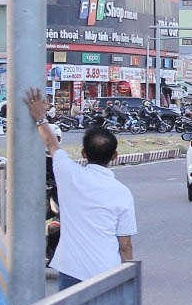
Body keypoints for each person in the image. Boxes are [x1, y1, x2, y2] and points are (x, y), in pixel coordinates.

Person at [22, 88, 136, 291]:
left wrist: (40, 117)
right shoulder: (122, 193)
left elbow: (51, 143)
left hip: (72, 272)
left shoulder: (69, 174)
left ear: (83, 153)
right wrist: (128, 281)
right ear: (115, 156)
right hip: (107, 271)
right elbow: (125, 245)